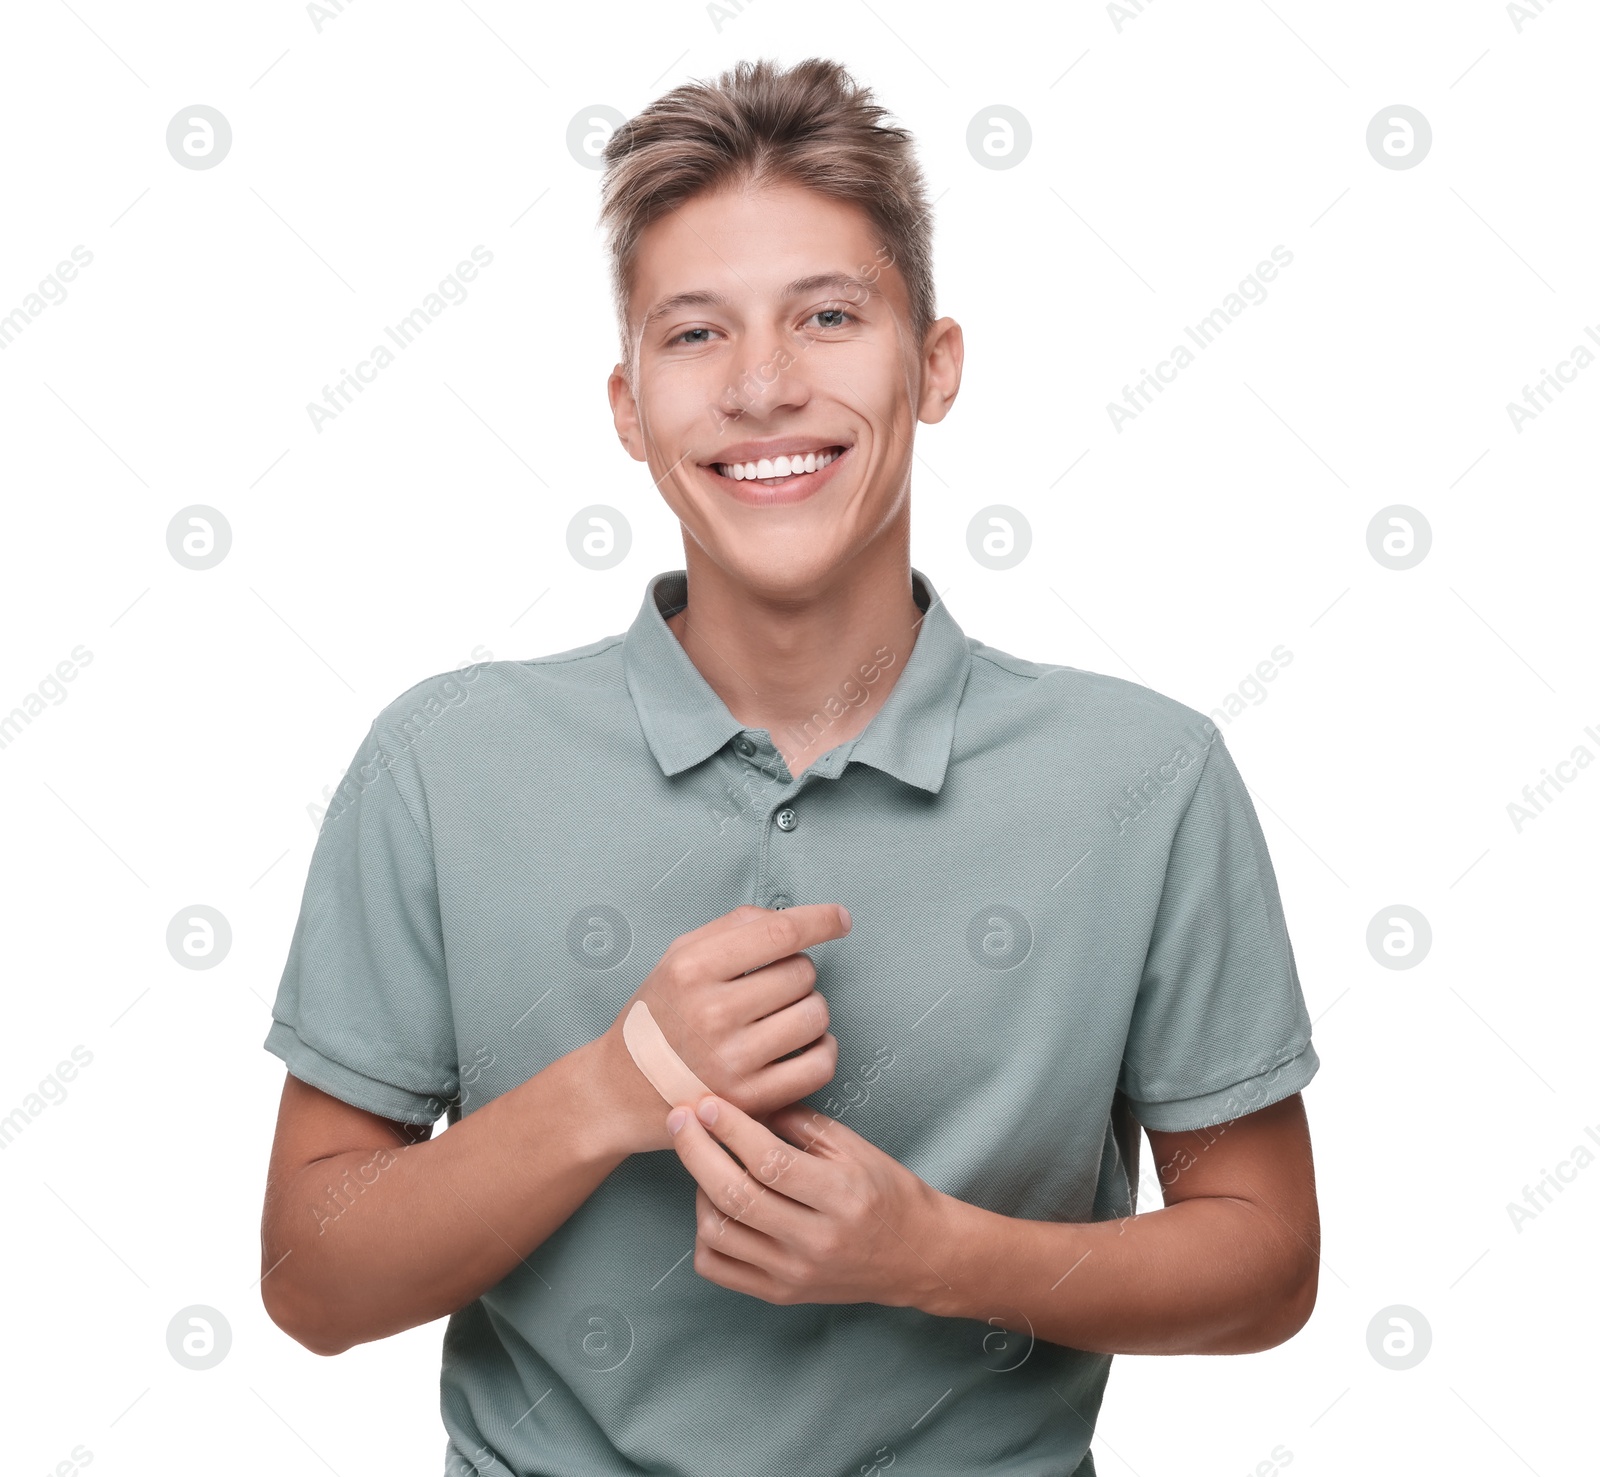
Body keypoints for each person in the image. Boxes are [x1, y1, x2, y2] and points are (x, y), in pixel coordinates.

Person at [259, 56, 1321, 1477]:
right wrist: (612, 1085)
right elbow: (313, 1284)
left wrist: (933, 1252)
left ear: (932, 364)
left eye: (829, 316)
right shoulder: (442, 763)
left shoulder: (1150, 776)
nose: (764, 387)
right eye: (696, 335)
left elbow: (1266, 1263)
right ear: (629, 406)